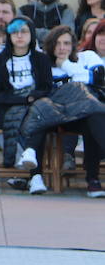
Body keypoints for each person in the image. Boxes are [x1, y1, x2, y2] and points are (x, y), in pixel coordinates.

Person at [0, 16, 53, 194]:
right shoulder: (0, 60)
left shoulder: (41, 59)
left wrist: (32, 99)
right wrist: (25, 100)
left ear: (31, 35)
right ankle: (36, 176)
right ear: (9, 36)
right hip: (8, 110)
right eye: (14, 32)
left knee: (37, 115)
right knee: (37, 118)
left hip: (37, 107)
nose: (19, 36)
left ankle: (33, 170)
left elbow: (47, 88)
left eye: (24, 31)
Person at [42, 25, 105, 197]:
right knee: (95, 113)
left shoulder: (87, 56)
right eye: (58, 43)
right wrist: (81, 75)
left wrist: (65, 65)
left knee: (93, 117)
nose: (62, 48)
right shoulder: (45, 65)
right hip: (59, 116)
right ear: (51, 45)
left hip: (85, 114)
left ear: (74, 45)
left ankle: (93, 180)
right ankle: (93, 180)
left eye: (67, 43)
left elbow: (98, 78)